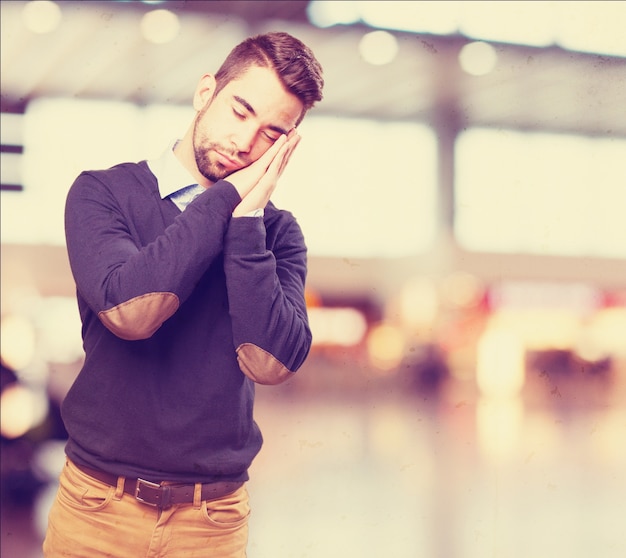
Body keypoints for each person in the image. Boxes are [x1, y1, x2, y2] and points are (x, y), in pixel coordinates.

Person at [42, 31, 324, 557]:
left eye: (270, 134)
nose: (245, 143)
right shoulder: (103, 193)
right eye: (240, 111)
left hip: (212, 522)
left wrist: (246, 220)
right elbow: (130, 312)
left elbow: (274, 362)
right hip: (96, 508)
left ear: (286, 146)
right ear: (204, 94)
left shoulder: (277, 234)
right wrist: (226, 199)